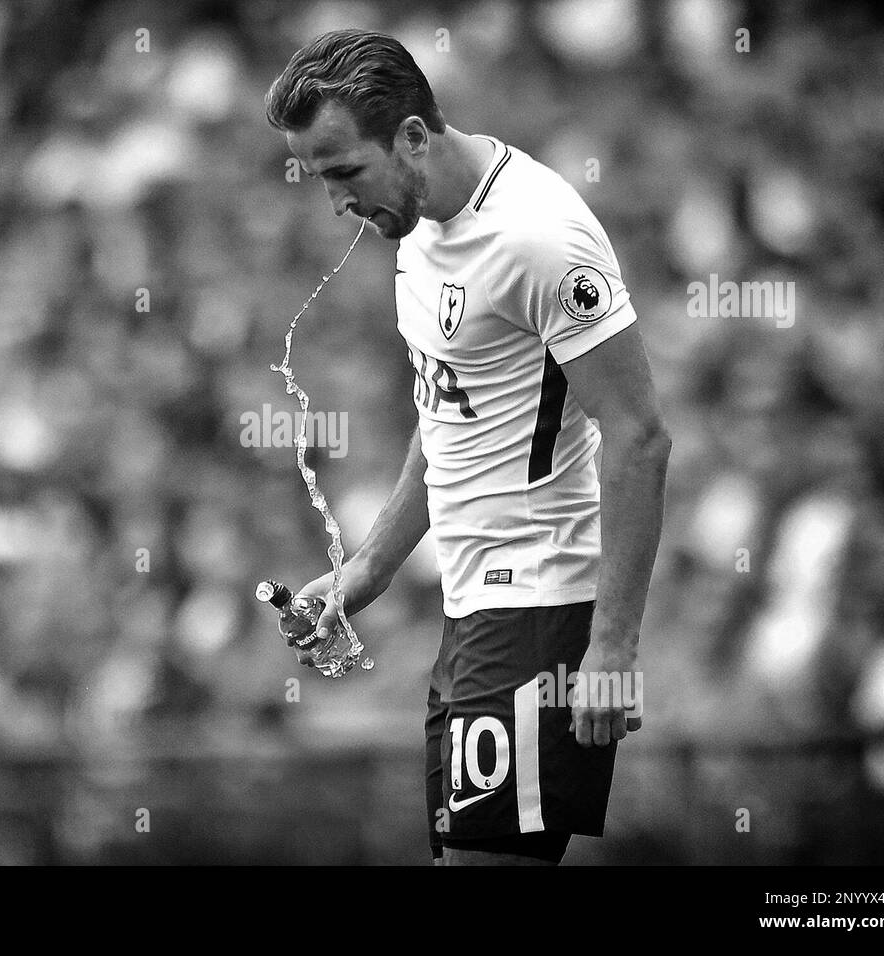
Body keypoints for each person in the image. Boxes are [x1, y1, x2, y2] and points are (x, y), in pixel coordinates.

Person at [266, 29, 671, 865]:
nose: (337, 203)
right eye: (319, 179)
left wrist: (613, 646)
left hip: (538, 604)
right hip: (473, 606)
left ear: (413, 135)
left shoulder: (539, 237)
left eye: (344, 172)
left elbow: (639, 437)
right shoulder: (412, 226)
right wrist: (369, 567)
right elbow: (450, 412)